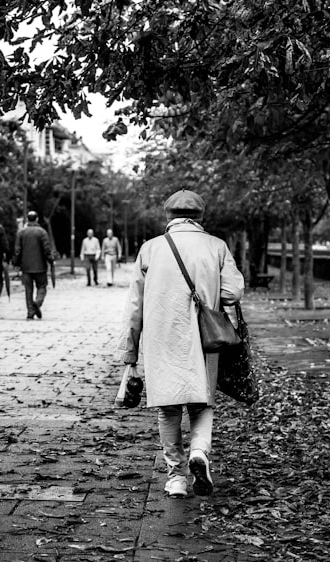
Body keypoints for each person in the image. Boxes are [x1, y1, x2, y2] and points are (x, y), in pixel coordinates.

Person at [118, 189, 244, 498]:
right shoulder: (217, 247)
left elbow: (136, 304)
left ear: (168, 217)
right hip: (205, 336)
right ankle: (199, 453)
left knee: (169, 408)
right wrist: (208, 290)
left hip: (162, 337)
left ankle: (175, 477)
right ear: (201, 217)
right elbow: (233, 292)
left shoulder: (150, 249)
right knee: (202, 404)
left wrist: (130, 351)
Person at [13, 211, 54, 320]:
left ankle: (30, 311)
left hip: (26, 266)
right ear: (36, 219)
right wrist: (50, 260)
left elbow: (17, 250)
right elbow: (47, 249)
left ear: (27, 219)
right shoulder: (42, 232)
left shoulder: (21, 233)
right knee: (42, 286)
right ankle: (38, 302)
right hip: (40, 266)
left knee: (28, 289)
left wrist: (16, 263)